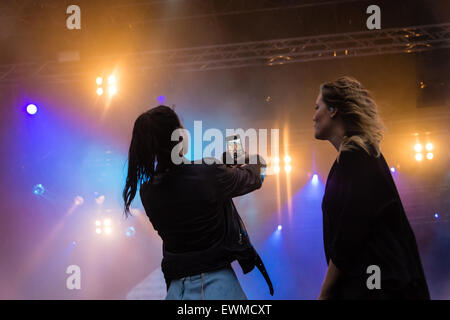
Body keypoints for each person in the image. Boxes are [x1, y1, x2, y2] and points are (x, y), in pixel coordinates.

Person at [122, 105, 272, 300]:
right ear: (177, 137)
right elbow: (255, 177)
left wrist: (220, 167)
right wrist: (253, 160)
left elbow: (188, 183)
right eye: (182, 126)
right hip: (217, 287)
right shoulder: (209, 174)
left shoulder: (148, 191)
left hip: (177, 290)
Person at [313, 76, 430, 299]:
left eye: (317, 107)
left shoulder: (356, 157)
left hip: (377, 284)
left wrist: (326, 292)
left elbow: (349, 235)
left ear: (333, 110)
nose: (313, 116)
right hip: (378, 281)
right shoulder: (359, 156)